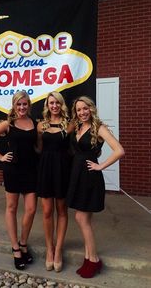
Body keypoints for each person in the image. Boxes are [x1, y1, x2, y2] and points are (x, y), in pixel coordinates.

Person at [66, 96, 125, 278]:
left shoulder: (99, 128)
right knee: (85, 219)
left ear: (91, 109)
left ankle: (94, 260)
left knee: (81, 218)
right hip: (77, 175)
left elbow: (119, 150)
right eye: (78, 110)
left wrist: (101, 165)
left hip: (90, 176)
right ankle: (87, 257)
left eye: (85, 108)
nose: (82, 112)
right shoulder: (77, 127)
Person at [0, 91, 38, 270]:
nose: (22, 107)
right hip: (12, 170)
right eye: (18, 104)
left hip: (31, 171)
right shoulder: (8, 124)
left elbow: (37, 147)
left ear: (29, 105)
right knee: (12, 208)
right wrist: (0, 157)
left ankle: (23, 243)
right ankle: (15, 249)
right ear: (14, 105)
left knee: (31, 209)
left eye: (25, 104)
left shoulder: (35, 123)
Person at [37, 91, 74, 272]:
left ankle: (58, 250)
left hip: (62, 172)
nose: (54, 106)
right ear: (47, 105)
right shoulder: (41, 126)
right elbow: (38, 149)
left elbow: (77, 146)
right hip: (45, 171)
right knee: (46, 211)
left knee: (61, 211)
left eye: (57, 103)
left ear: (61, 105)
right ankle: (49, 249)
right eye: (51, 103)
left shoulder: (70, 125)